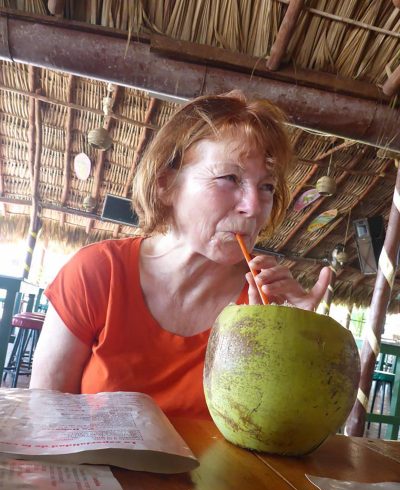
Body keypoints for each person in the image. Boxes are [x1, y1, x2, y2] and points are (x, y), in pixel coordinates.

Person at [30, 91, 330, 418]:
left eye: (267, 187)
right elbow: (43, 417)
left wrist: (298, 345)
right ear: (166, 184)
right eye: (230, 178)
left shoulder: (264, 304)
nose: (254, 207)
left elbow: (280, 439)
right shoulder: (99, 273)